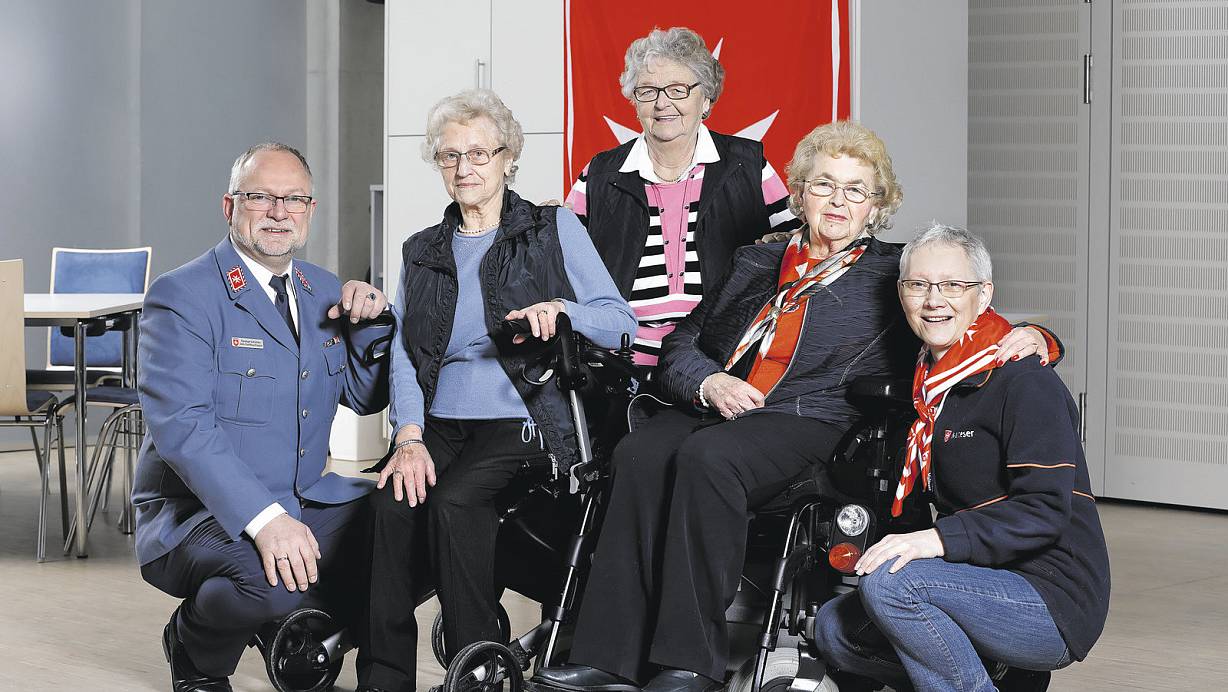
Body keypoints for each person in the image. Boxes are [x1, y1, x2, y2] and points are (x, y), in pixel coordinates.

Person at [532, 121, 1061, 692]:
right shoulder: (756, 262)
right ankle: (608, 658)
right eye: (824, 184)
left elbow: (959, 315)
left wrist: (1037, 335)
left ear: (877, 205)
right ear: (799, 191)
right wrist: (710, 383)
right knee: (639, 451)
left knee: (710, 459)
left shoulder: (892, 272)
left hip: (813, 420)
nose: (838, 200)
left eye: (856, 190)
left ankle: (690, 665)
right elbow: (684, 343)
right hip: (722, 406)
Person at [356, 89, 636, 692]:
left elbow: (620, 321)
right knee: (388, 506)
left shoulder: (551, 227)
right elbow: (405, 353)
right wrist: (408, 436)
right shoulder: (423, 250)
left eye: (480, 153)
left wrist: (563, 310)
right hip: (441, 423)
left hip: (528, 417)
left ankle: (477, 669)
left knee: (457, 502)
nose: (465, 167)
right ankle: (382, 680)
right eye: (450, 156)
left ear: (509, 158)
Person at [133, 142, 393, 692]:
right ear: (230, 207)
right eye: (261, 197)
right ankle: (196, 648)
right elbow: (183, 427)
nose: (280, 211)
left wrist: (370, 325)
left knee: (409, 529)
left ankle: (296, 633)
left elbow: (364, 400)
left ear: (310, 210)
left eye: (294, 199)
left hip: (305, 496)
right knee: (272, 579)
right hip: (196, 514)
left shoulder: (324, 290)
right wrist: (266, 520)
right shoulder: (183, 296)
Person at [811, 224, 1110, 692]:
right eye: (918, 285)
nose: (934, 300)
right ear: (901, 293)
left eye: (953, 285)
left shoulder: (1023, 381)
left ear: (984, 293)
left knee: (893, 587)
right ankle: (1001, 676)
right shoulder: (930, 385)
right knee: (836, 627)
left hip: (1050, 596)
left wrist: (934, 540)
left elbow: (1044, 511)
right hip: (978, 580)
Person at [566, 27, 802, 365]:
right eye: (647, 91)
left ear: (705, 98)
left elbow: (799, 247)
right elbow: (561, 266)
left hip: (722, 360)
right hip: (618, 366)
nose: (663, 103)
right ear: (634, 102)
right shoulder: (600, 174)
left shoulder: (747, 165)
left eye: (678, 90)